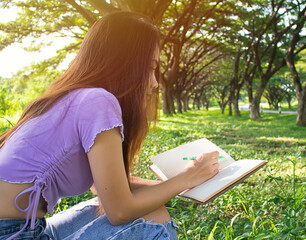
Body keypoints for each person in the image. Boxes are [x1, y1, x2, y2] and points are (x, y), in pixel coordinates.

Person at [0, 11, 220, 240]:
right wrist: (188, 177)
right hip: (15, 234)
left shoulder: (69, 98)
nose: (155, 83)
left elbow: (106, 187)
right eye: (150, 68)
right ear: (124, 63)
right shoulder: (98, 101)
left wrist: (177, 183)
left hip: (27, 228)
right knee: (154, 220)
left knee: (147, 209)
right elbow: (120, 211)